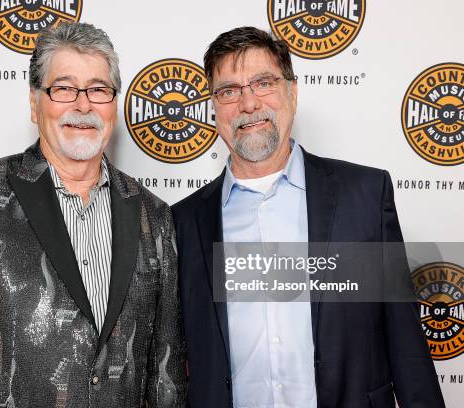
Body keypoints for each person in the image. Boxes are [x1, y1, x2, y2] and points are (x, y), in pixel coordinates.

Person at [0, 22, 186, 408]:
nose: (83, 105)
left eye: (99, 90)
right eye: (64, 88)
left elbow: (165, 377)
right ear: (36, 104)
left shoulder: (153, 216)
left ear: (114, 106)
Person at [172, 26, 444, 408]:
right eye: (228, 91)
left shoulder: (364, 196)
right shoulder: (182, 222)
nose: (248, 104)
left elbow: (405, 342)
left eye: (263, 82)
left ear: (292, 93)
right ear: (214, 108)